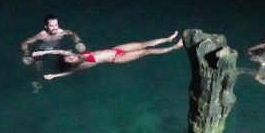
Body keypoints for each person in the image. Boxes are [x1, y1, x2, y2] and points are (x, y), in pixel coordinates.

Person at [32, 31, 182, 80]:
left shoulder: (77, 54)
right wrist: (53, 76)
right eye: (70, 59)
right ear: (72, 63)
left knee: (143, 44)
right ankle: (174, 47)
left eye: (69, 56)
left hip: (116, 49)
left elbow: (60, 52)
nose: (71, 56)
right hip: (117, 58)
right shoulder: (83, 63)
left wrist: (43, 52)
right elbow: (69, 72)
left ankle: (168, 39)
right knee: (147, 51)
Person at [21, 14, 85, 65]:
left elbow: (72, 34)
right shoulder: (42, 34)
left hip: (57, 45)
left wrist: (78, 42)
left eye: (56, 25)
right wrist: (26, 53)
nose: (55, 28)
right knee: (37, 61)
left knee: (70, 58)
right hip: (44, 46)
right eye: (51, 26)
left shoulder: (61, 32)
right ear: (46, 26)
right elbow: (26, 42)